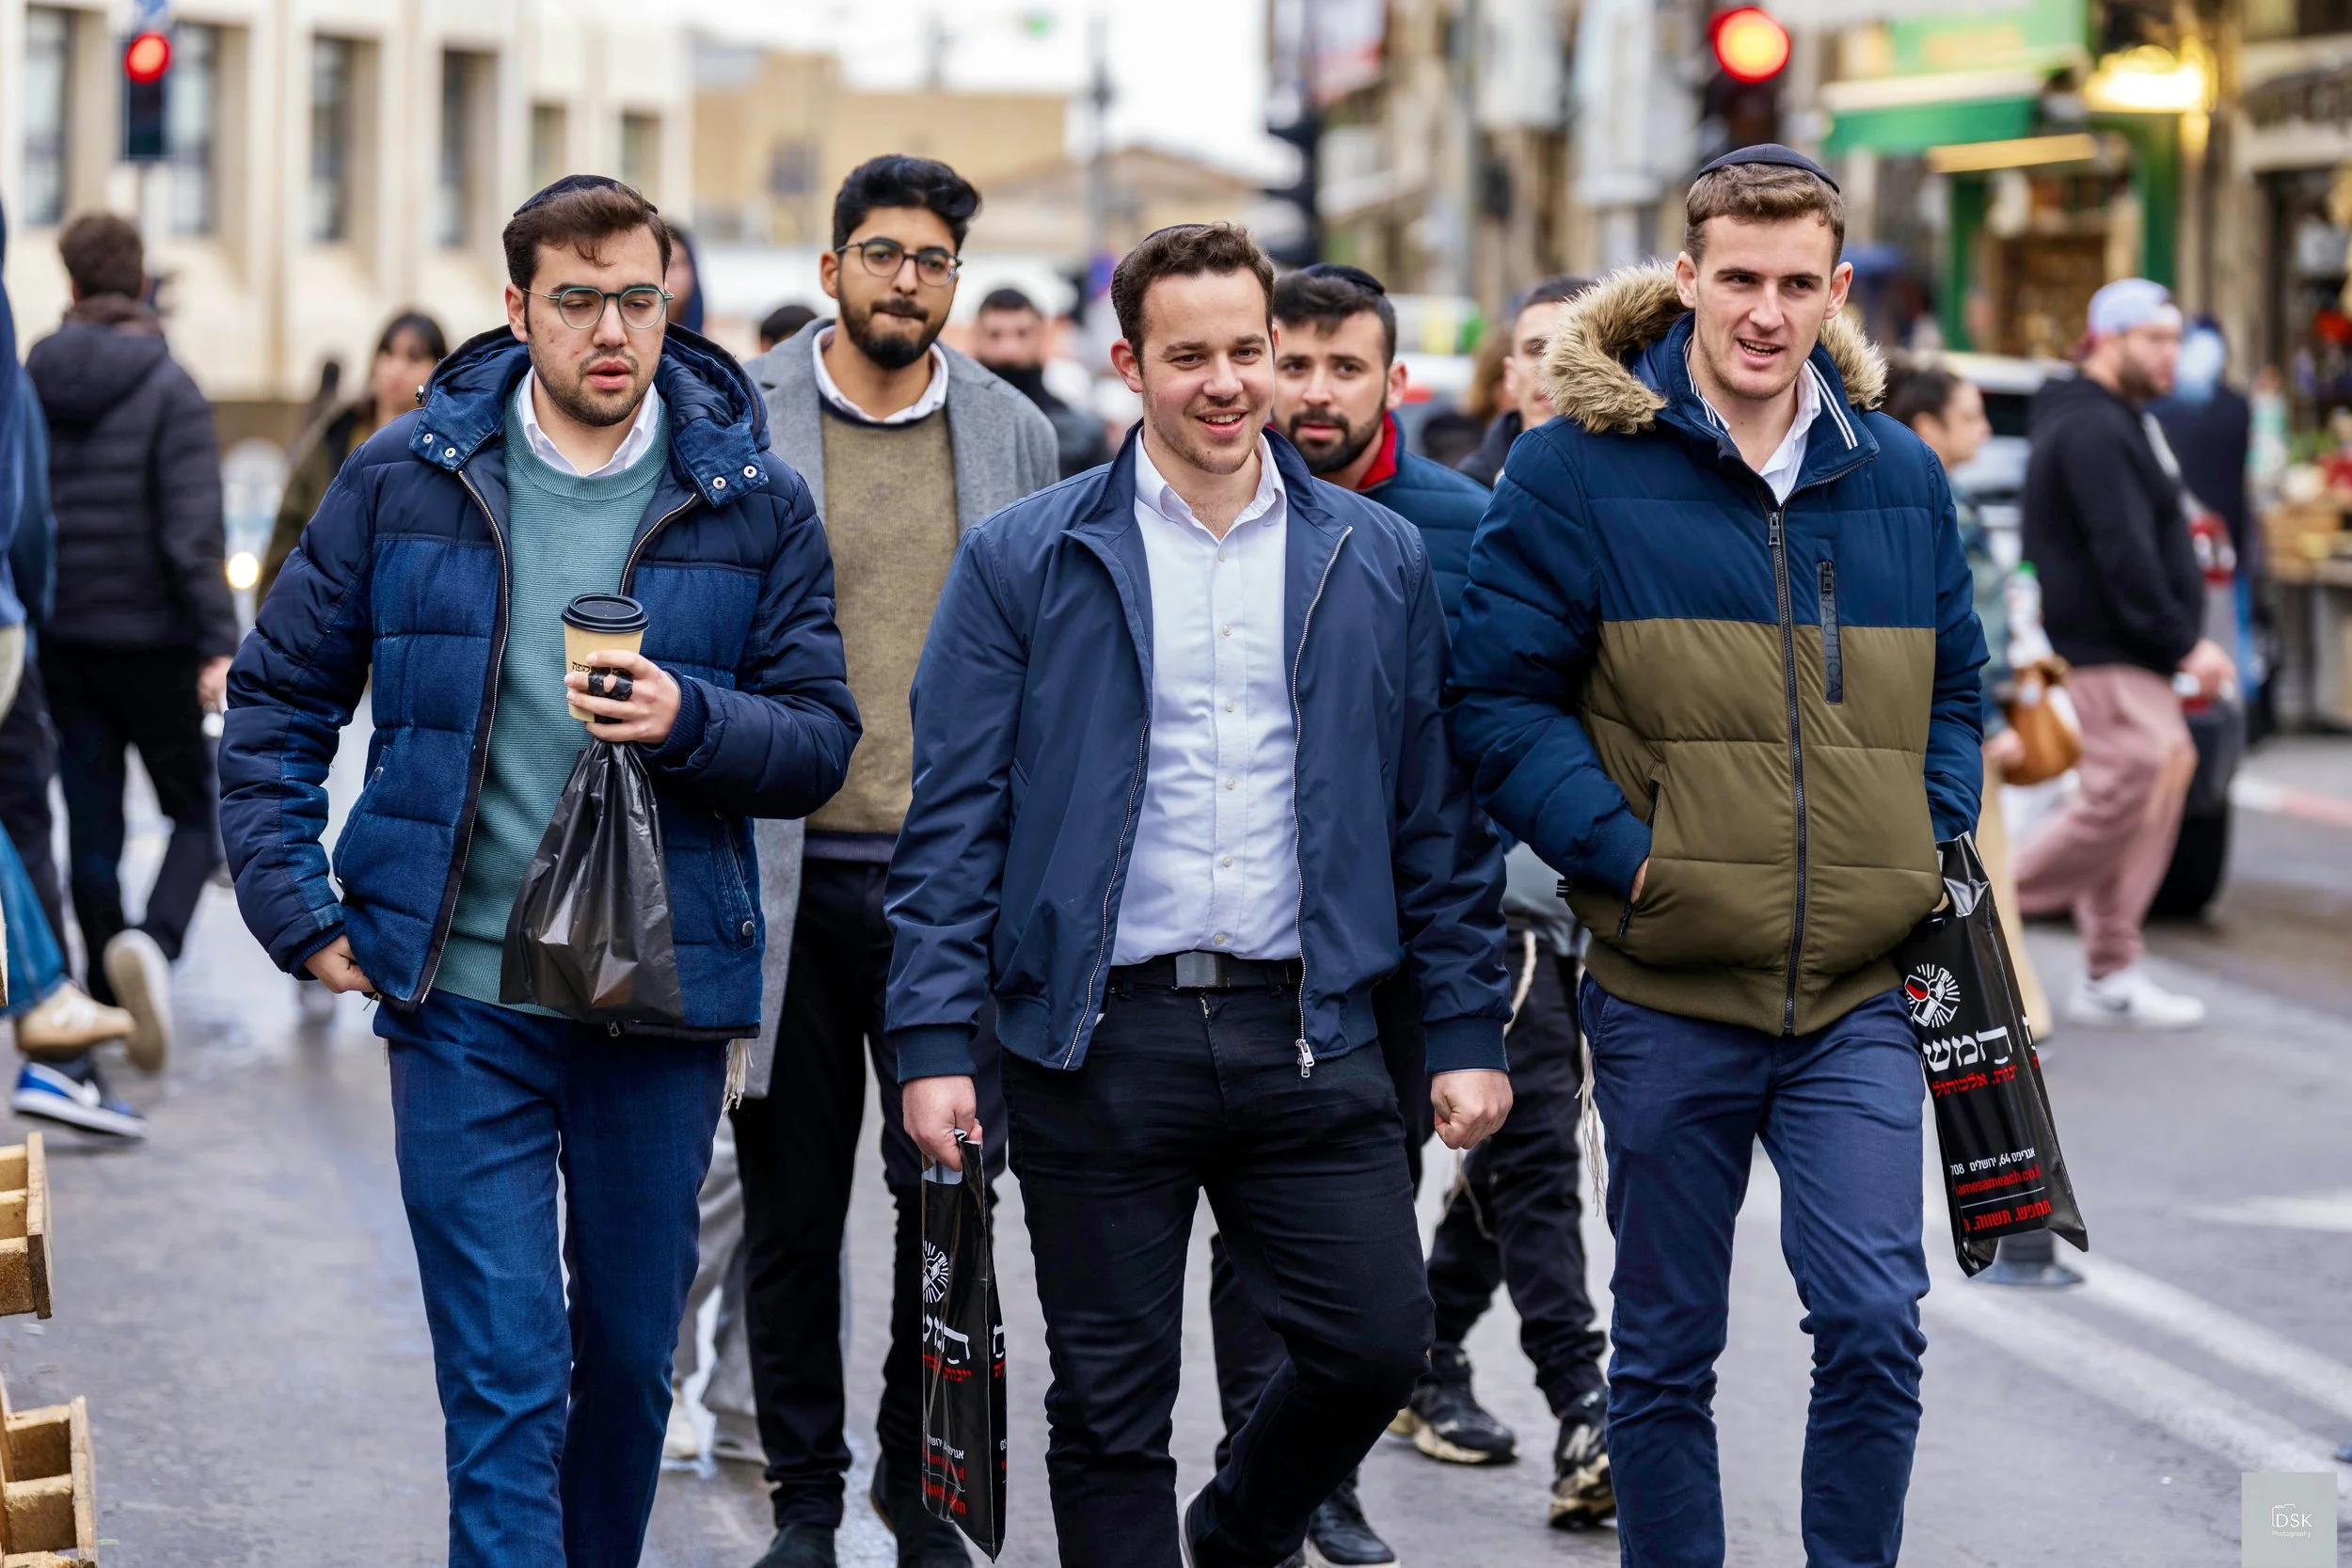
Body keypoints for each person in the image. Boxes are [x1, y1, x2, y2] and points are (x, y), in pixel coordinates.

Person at [218, 174, 859, 1568]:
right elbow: (277, 697)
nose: (613, 330)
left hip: (660, 1001)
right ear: (516, 310)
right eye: (577, 301)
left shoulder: (751, 498)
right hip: (461, 998)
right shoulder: (409, 474)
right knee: (508, 1377)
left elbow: (818, 739)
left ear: (671, 297)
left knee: (626, 1369)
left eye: (639, 297)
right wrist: (298, 908)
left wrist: (689, 715)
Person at [888, 220, 1515, 1568]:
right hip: (1096, 1041)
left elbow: (1432, 816)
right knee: (1109, 1404)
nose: (1227, 382)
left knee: (1373, 1343)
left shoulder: (1374, 554)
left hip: (1314, 1032)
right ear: (1129, 364)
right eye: (1191, 356)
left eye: (1250, 351)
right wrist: (935, 1042)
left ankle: (1232, 1536)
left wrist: (1463, 1025)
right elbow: (953, 821)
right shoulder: (1024, 555)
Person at [1449, 147, 1986, 1568]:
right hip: (1668, 976)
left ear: (1837, 289)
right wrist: (1639, 863)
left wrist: (1920, 843)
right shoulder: (1574, 466)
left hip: (1862, 989)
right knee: (1668, 1346)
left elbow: (1960, 686)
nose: (1765, 311)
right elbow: (1498, 701)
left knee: (1874, 1315)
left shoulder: (1900, 471)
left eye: (1796, 283)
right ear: (1684, 278)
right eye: (1736, 278)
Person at [1253, 260, 1614, 1553]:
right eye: (1288, 361)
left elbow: (1511, 713)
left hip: (1442, 917)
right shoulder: (1211, 514)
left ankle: (1385, 1437)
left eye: (1340, 365)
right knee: (1290, 1232)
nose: (1310, 390)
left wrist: (1513, 876)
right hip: (1264, 934)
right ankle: (1307, 1479)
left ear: (1390, 380)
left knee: (1455, 1176)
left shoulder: (1463, 520)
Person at [736, 155, 1057, 1568]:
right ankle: (807, 1498)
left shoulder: (1012, 431)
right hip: (784, 872)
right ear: (832, 270)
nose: (905, 282)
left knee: (949, 1200)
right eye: (880, 255)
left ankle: (917, 1485)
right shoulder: (738, 418)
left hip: (951, 884)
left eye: (931, 260)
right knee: (792, 1209)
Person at [26, 212, 235, 1074]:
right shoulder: (169, 386)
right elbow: (192, 535)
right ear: (140, 281)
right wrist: (218, 642)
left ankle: (107, 1002)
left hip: (61, 641)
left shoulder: (28, 378)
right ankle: (154, 942)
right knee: (201, 806)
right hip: (154, 641)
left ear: (71, 285)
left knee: (92, 822)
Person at [2014, 279, 2231, 1030]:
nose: (2172, 354)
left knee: (2161, 770)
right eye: (2155, 339)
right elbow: (2122, 547)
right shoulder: (2092, 427)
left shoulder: (2125, 420)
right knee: (2132, 778)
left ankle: (2110, 967)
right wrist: (2182, 638)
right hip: (2109, 646)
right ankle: (1972, 906)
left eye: (2176, 338)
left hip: (2133, 647)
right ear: (2108, 338)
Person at [1883, 364, 2054, 1037]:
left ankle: (2006, 1006)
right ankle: (2005, 1011)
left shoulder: (1910, 496)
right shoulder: (1939, 504)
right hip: (1955, 729)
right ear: (1928, 427)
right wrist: (1985, 720)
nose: (1987, 432)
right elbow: (1959, 635)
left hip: (1935, 725)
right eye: (1972, 418)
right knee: (1979, 873)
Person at [257, 311, 448, 606]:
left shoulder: (446, 448)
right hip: (324, 613)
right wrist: (274, 606)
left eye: (413, 357)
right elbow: (288, 530)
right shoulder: (335, 434)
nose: (396, 368)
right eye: (388, 353)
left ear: (436, 368)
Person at [1457, 275, 1592, 487]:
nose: (1551, 367)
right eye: (1535, 350)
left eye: (1574, 348)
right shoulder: (1465, 495)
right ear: (1510, 375)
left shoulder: (1655, 484)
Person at [972, 284, 1114, 479]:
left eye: (1022, 333)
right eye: (994, 335)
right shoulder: (950, 427)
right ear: (976, 338)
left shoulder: (1081, 433)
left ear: (1042, 337)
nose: (1009, 348)